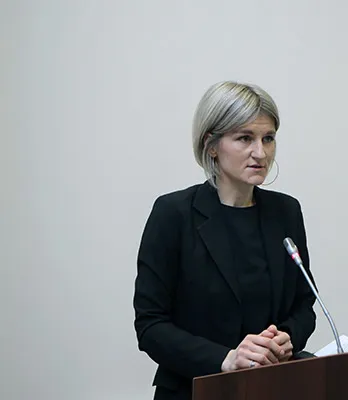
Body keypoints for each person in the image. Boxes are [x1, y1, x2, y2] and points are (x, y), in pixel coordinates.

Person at [133, 81, 317, 400]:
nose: (261, 152)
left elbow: (305, 306)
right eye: (245, 138)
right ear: (212, 145)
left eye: (268, 138)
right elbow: (150, 326)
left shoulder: (286, 212)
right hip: (195, 389)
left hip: (271, 387)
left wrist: (288, 337)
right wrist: (226, 359)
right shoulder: (173, 214)